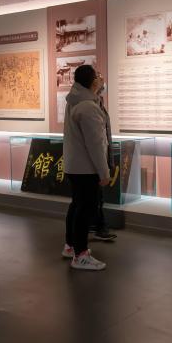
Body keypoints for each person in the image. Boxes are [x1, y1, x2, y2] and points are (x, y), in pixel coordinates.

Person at [62, 65, 110, 271]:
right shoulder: (88, 107)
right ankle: (80, 255)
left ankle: (71, 246)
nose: (100, 80)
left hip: (75, 165)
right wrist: (104, 172)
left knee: (77, 206)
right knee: (85, 209)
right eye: (97, 77)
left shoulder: (74, 100)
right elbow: (96, 144)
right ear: (92, 81)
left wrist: (97, 92)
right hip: (86, 168)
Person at [89, 83, 117, 241]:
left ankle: (97, 226)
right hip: (93, 161)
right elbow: (95, 140)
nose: (102, 83)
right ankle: (97, 228)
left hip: (101, 156)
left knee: (97, 197)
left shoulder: (98, 103)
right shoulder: (89, 106)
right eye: (98, 80)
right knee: (93, 197)